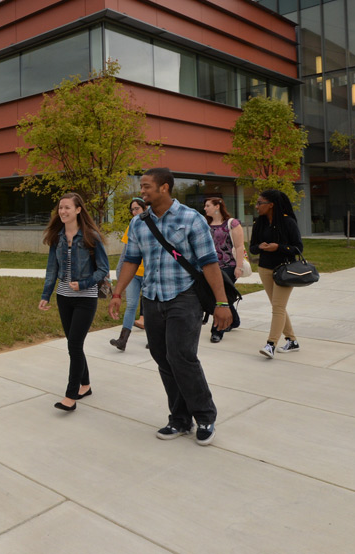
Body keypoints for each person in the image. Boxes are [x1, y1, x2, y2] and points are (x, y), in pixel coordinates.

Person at [108, 168, 231, 446]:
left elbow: (210, 263)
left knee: (182, 357)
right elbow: (130, 260)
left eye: (147, 186)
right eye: (141, 186)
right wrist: (117, 293)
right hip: (152, 298)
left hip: (184, 298)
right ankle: (179, 418)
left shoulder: (191, 219)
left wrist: (222, 303)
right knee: (163, 358)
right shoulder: (140, 223)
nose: (142, 191)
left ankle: (205, 416)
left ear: (164, 188)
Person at [38, 193, 109, 412]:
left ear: (78, 210)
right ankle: (85, 385)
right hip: (64, 297)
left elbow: (104, 270)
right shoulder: (57, 237)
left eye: (67, 208)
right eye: (60, 208)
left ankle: (71, 396)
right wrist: (46, 295)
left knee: (74, 345)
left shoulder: (91, 237)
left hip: (85, 299)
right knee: (74, 344)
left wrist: (86, 283)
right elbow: (52, 269)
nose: (63, 212)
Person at [250, 189, 304, 359]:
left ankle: (271, 344)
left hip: (285, 271)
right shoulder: (259, 223)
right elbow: (251, 247)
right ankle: (292, 340)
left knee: (278, 307)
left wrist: (278, 247)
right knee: (277, 306)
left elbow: (298, 248)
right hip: (264, 269)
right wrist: (260, 247)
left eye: (260, 203)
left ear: (271, 205)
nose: (257, 206)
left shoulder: (288, 222)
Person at [203, 197, 245, 343]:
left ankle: (217, 331)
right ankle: (234, 320)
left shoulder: (232, 223)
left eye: (207, 205)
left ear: (217, 207)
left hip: (228, 266)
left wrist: (239, 267)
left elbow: (239, 246)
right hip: (211, 266)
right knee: (223, 296)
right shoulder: (205, 224)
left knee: (218, 297)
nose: (205, 208)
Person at [110, 197, 147, 351]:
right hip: (133, 275)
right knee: (131, 305)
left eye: (137, 208)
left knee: (151, 308)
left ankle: (154, 339)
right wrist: (120, 276)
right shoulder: (131, 226)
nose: (134, 212)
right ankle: (122, 340)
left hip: (149, 274)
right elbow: (125, 254)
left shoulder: (153, 225)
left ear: (144, 209)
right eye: (132, 209)